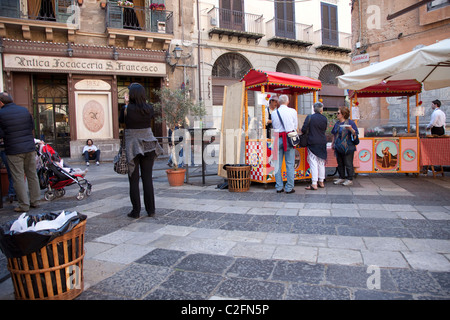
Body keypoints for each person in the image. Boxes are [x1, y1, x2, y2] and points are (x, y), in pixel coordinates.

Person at [119, 83, 163, 218]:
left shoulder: (127, 109)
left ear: (131, 95)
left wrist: (126, 105)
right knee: (147, 179)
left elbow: (121, 121)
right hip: (149, 145)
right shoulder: (149, 108)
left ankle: (136, 211)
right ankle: (151, 210)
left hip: (133, 146)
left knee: (133, 179)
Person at [0, 92, 41, 212]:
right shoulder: (24, 110)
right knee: (32, 175)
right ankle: (35, 200)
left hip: (14, 150)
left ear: (1, 102)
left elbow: (1, 134)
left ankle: (24, 205)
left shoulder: (1, 114)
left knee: (18, 177)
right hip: (29, 147)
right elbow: (31, 127)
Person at [271, 94, 297, 194]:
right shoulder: (292, 111)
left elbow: (274, 125)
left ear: (278, 102)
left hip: (277, 137)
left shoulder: (274, 113)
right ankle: (289, 187)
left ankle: (279, 186)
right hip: (289, 137)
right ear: (288, 101)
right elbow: (295, 126)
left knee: (277, 164)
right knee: (290, 164)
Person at [301, 102, 327, 190]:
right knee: (321, 162)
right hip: (322, 141)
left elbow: (304, 129)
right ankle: (321, 181)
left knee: (313, 162)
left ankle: (314, 183)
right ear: (321, 109)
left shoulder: (310, 117)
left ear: (314, 109)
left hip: (312, 142)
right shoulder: (324, 118)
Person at [331, 106, 359, 186]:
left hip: (348, 147)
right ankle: (341, 177)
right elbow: (334, 134)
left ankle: (350, 179)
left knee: (348, 163)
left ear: (343, 114)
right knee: (340, 163)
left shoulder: (350, 123)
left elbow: (355, 134)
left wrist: (351, 129)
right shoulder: (337, 123)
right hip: (338, 146)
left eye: (338, 113)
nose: (337, 114)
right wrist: (333, 143)